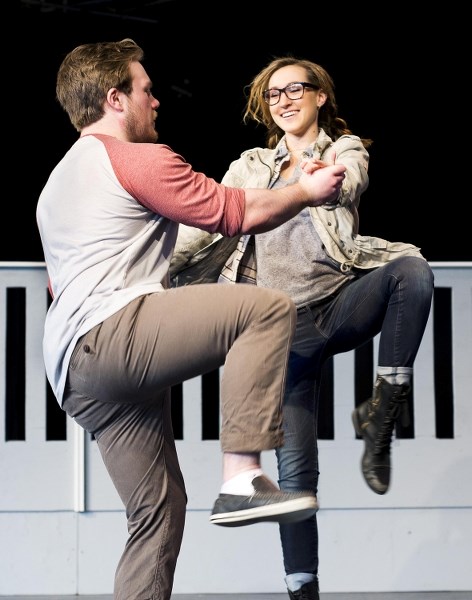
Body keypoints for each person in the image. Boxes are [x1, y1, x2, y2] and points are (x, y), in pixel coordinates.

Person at [35, 40, 348, 600]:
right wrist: (305, 190)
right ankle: (241, 477)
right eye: (146, 91)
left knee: (157, 511)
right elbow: (236, 213)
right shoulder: (135, 158)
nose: (156, 102)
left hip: (75, 377)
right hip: (112, 337)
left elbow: (59, 283)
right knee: (265, 308)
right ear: (115, 99)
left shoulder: (56, 183)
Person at [170, 56, 435, 600]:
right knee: (296, 480)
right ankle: (303, 592)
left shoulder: (343, 149)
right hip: (280, 332)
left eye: (297, 89)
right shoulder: (248, 166)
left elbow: (351, 180)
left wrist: (331, 182)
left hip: (337, 305)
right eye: (274, 94)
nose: (285, 99)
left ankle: (382, 410)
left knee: (412, 270)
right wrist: (143, 273)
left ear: (321, 97)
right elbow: (205, 226)